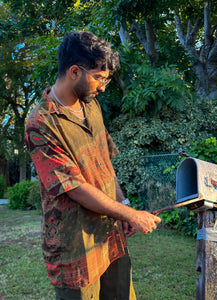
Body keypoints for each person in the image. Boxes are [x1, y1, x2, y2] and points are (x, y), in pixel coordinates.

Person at [25, 31, 161, 300]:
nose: (103, 86)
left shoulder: (92, 106)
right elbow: (74, 187)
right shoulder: (40, 123)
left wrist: (123, 206)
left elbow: (105, 162)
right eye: (99, 78)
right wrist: (131, 216)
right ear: (75, 71)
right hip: (76, 249)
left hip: (111, 238)